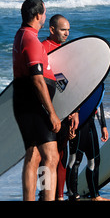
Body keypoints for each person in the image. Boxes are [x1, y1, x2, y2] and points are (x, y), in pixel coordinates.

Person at [12, 0, 61, 201]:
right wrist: (52, 113)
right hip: (34, 103)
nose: (45, 16)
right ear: (38, 15)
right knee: (51, 156)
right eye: (44, 12)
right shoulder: (31, 40)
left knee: (33, 155)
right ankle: (46, 198)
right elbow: (38, 80)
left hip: (24, 100)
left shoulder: (22, 35)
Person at [41, 14, 79, 201]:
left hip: (65, 112)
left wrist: (75, 112)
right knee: (46, 158)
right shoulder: (43, 49)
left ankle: (59, 196)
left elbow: (70, 85)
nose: (67, 33)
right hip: (47, 112)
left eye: (68, 30)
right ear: (52, 29)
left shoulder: (66, 50)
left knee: (62, 156)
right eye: (63, 30)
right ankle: (43, 194)